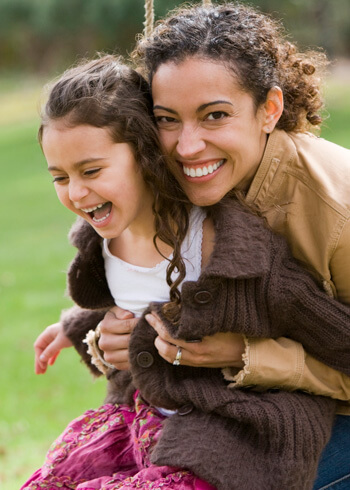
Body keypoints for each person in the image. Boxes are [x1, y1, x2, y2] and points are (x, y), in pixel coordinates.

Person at [22, 32, 350, 490]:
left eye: (215, 115)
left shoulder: (239, 250)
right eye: (168, 119)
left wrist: (245, 354)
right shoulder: (107, 236)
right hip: (152, 411)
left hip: (233, 424)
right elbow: (139, 298)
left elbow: (331, 332)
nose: (188, 146)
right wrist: (82, 328)